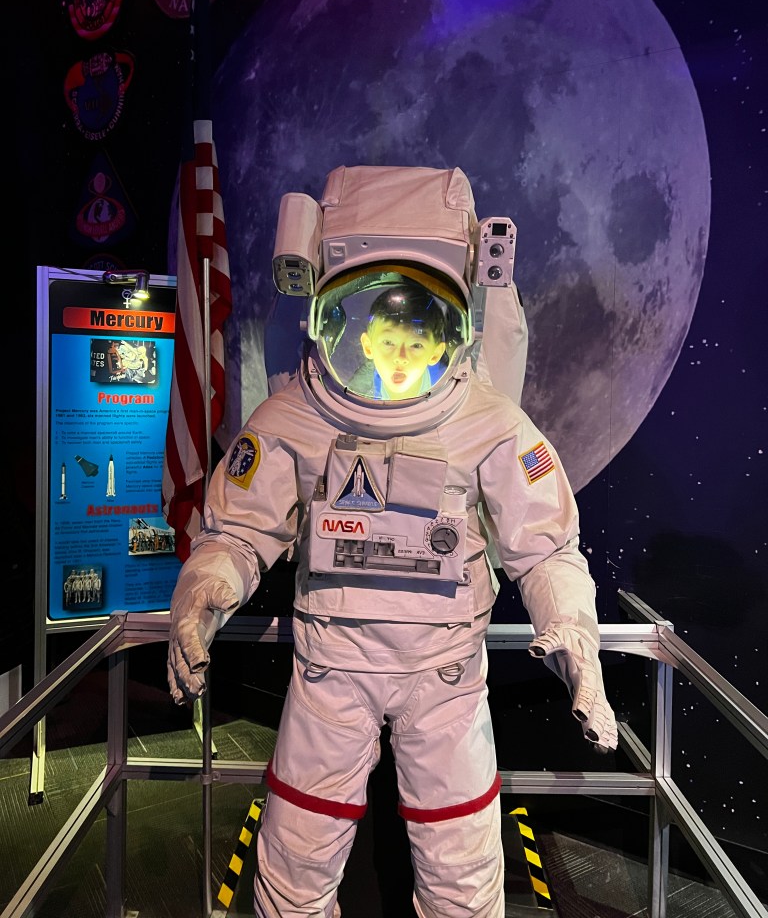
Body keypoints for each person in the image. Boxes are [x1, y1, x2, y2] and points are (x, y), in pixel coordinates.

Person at [167, 165, 617, 918]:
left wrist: (574, 638)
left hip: (444, 678)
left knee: (462, 875)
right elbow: (237, 533)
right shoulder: (298, 415)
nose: (402, 356)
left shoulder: (485, 420)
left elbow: (546, 551)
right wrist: (203, 595)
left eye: (418, 337)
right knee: (294, 865)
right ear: (354, 332)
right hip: (330, 671)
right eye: (387, 336)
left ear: (447, 336)